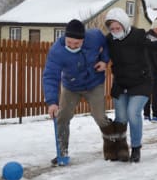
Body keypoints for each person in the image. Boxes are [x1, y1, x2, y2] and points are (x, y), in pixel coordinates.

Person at [104, 8, 157, 162]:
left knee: (133, 113)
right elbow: (99, 51)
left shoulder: (139, 35)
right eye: (112, 28)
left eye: (118, 27)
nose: (115, 31)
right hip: (121, 83)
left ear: (125, 24)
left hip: (141, 82)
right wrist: (101, 62)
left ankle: (136, 148)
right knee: (121, 117)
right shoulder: (110, 39)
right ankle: (121, 148)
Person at [43, 19, 116, 165]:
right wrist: (52, 102)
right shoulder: (58, 50)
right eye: (69, 42)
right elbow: (51, 75)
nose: (72, 46)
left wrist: (104, 60)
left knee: (99, 117)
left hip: (94, 83)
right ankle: (62, 153)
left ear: (84, 39)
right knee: (62, 117)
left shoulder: (95, 36)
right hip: (71, 86)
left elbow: (106, 45)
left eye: (77, 43)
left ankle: (114, 146)